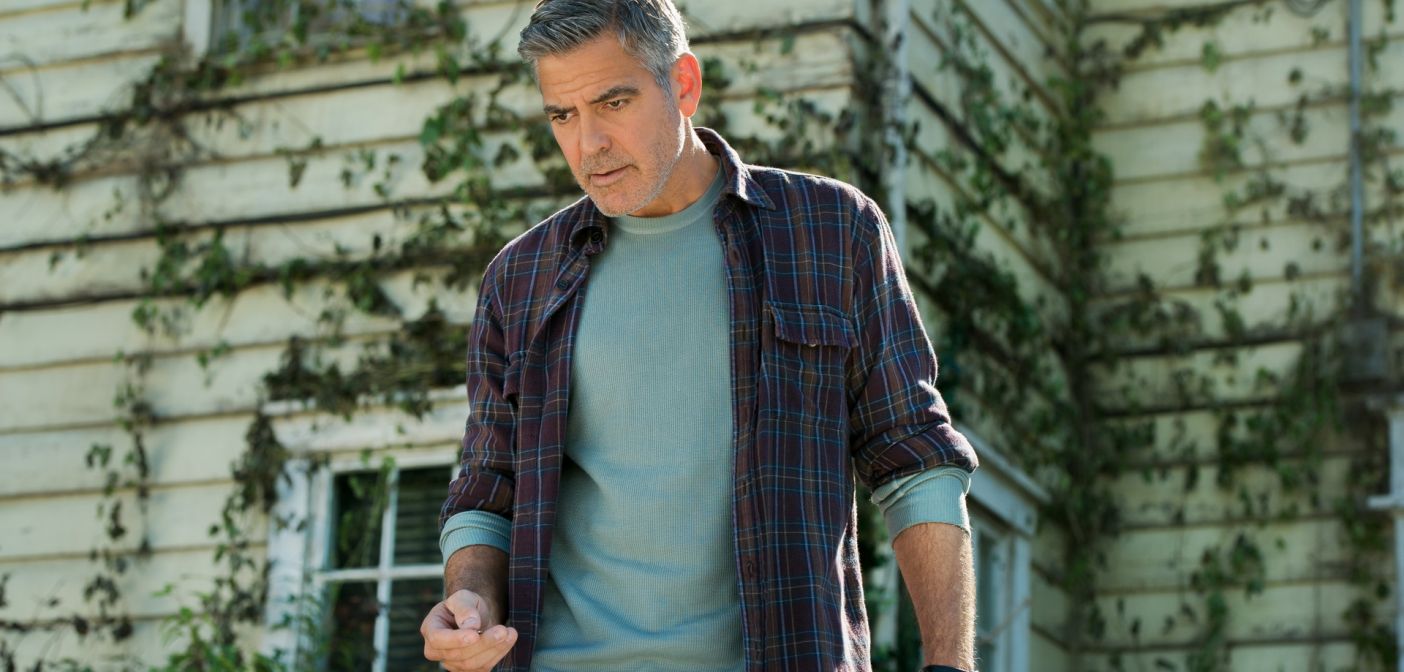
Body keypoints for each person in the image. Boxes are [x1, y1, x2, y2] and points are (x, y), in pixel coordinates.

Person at [420, 1, 979, 670]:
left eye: (613, 103)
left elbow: (915, 461)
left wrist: (950, 663)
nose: (588, 144)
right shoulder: (520, 278)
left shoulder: (830, 232)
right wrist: (471, 599)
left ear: (683, 84)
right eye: (562, 115)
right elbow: (487, 490)